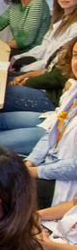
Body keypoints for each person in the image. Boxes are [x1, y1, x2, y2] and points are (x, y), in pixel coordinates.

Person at [2, 0, 77, 112]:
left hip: (51, 89)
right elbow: (43, 50)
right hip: (42, 73)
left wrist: (24, 76)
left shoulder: (75, 28)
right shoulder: (61, 21)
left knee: (1, 91)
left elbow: (55, 69)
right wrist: (16, 59)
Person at [0, 37, 77, 157]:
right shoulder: (73, 83)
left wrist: (35, 166)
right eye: (76, 55)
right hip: (53, 120)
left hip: (61, 139)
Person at [25, 38, 77, 208]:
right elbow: (52, 134)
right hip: (48, 166)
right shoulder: (73, 91)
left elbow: (74, 167)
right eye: (76, 55)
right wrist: (30, 162)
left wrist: (35, 172)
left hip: (65, 185)